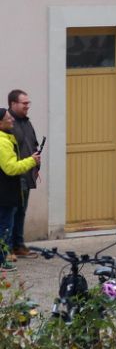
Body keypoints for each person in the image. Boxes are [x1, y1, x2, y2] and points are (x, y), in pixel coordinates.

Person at [0, 108, 41, 271]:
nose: (12, 120)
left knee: (5, 225)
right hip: (5, 193)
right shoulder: (3, 142)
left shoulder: (6, 138)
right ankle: (2, 261)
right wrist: (31, 161)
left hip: (7, 192)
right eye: (8, 118)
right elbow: (11, 168)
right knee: (4, 227)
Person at [8, 89, 40, 259]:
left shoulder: (26, 123)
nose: (27, 106)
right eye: (24, 103)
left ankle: (18, 245)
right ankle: (8, 248)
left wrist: (37, 163)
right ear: (13, 104)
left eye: (28, 103)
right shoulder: (8, 124)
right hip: (14, 177)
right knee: (10, 214)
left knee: (21, 212)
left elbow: (32, 144)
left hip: (27, 175)